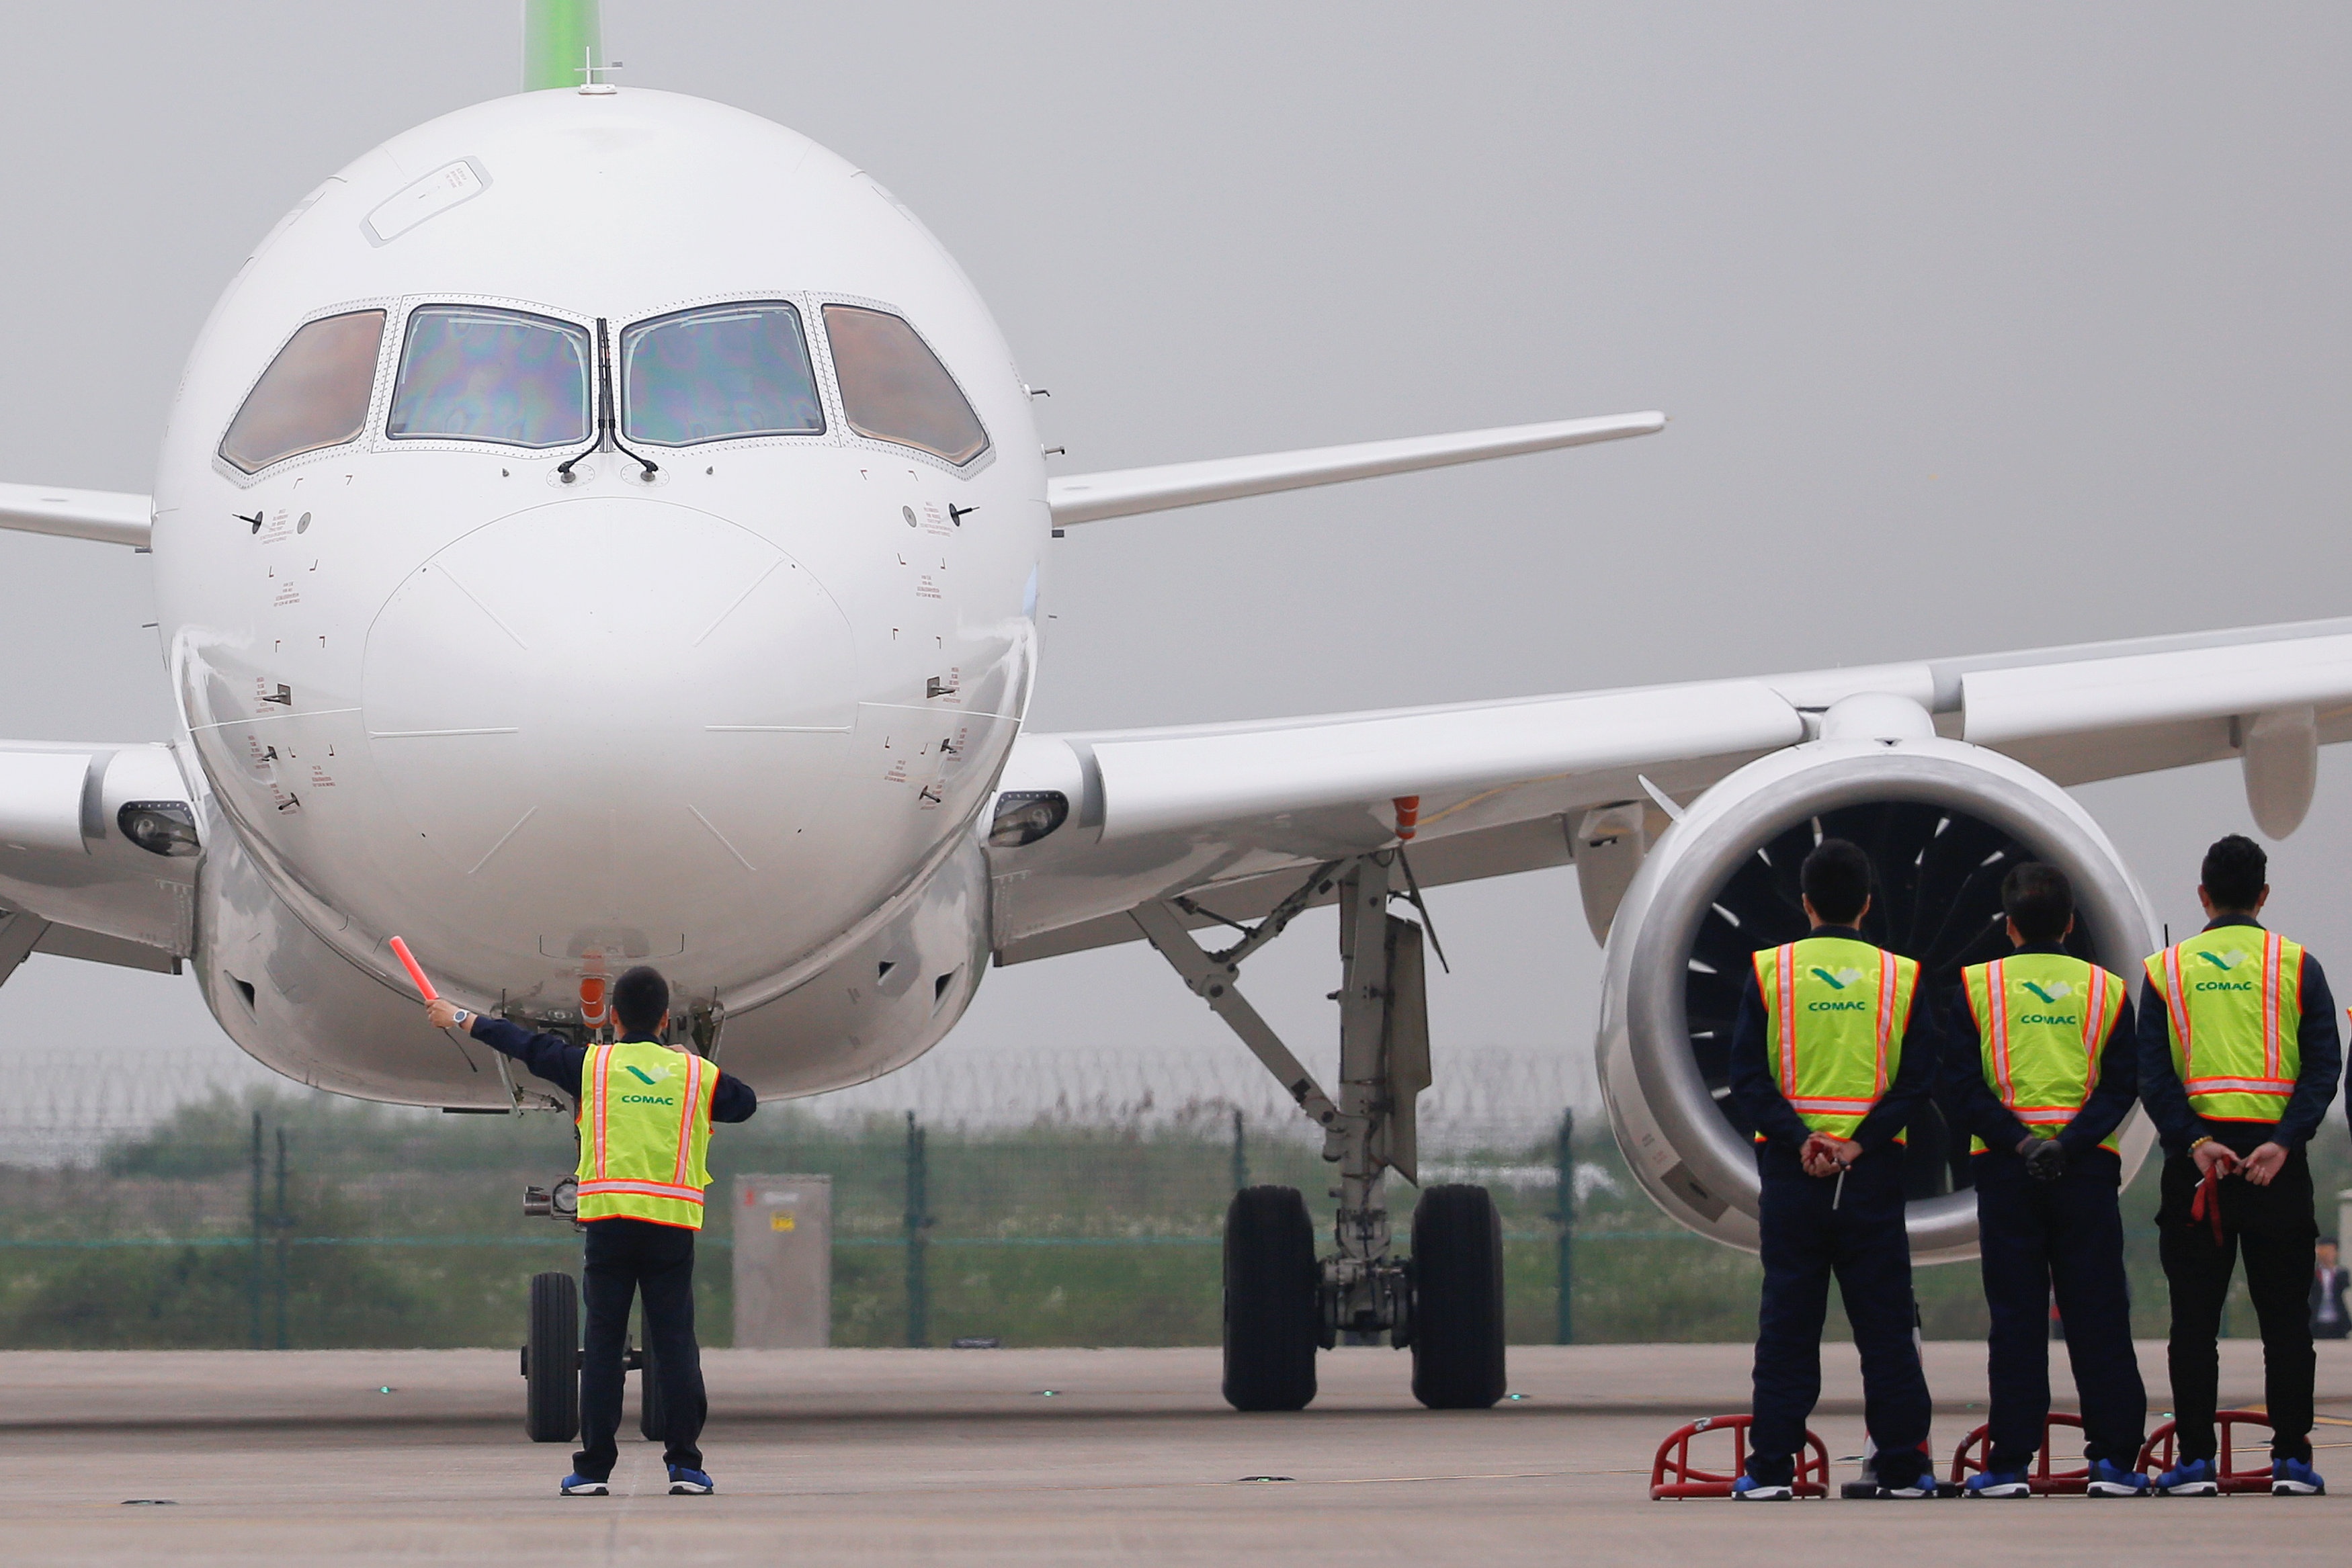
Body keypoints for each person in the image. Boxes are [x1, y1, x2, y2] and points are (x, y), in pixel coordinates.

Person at [426, 966, 757, 1497]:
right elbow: (745, 1104)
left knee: (602, 1344)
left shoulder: (592, 1066)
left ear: (614, 1017)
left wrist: (461, 1017)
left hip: (608, 1223)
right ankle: (686, 1466)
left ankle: (594, 1468)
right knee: (675, 1344)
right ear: (667, 1019)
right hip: (671, 1225)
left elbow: (524, 1046)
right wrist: (691, 1062)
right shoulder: (694, 1076)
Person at [1726, 838, 1937, 1500]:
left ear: (1805, 902)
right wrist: (1855, 1145)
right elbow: (1914, 1082)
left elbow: (1747, 1081)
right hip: (1868, 1176)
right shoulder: (1899, 977)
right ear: (1868, 904)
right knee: (1885, 1331)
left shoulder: (1770, 973)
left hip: (1794, 1177)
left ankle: (1769, 1470)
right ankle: (1901, 1466)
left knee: (1787, 1327)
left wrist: (1801, 1139)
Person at [2138, 834, 2341, 1497]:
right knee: (2285, 1322)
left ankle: (2194, 1460)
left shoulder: (2164, 970)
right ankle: (2289, 1459)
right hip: (2274, 1167)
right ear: (2262, 895)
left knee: (2191, 1323)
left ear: (2201, 895)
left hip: (2199, 1167)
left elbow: (2152, 1074)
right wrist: (2283, 1141)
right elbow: (2321, 1068)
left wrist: (2193, 1141)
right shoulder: (2296, 965)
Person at [1941, 861, 2148, 1497]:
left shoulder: (1975, 989)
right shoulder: (2107, 991)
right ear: (2070, 924)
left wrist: (2023, 1141)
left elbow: (1960, 1086)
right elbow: (2122, 1086)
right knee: (2099, 1315)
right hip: (2084, 1171)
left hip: (2007, 1169)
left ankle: (2009, 1462)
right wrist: (2070, 1142)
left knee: (2017, 1320)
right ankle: (2114, 1459)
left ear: (2009, 927)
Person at [2312, 1238, 2349, 1341]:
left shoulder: (2341, 1274)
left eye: (2329, 1251)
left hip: (2338, 1322)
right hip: (2316, 1322)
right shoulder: (2314, 1275)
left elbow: (2344, 1290)